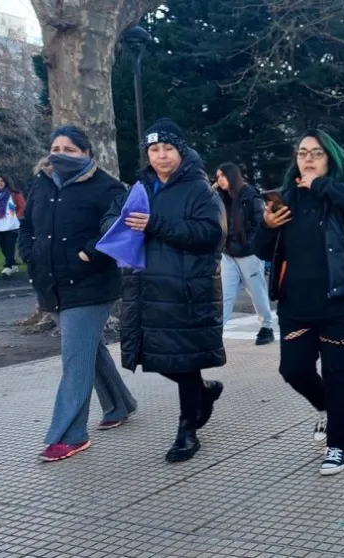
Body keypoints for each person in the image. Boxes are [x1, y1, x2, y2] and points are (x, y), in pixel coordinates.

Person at [103, 118, 226, 462]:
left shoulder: (199, 188)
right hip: (145, 289)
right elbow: (110, 218)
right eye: (154, 149)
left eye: (168, 148)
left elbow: (210, 234)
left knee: (184, 362)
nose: (161, 155)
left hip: (183, 290)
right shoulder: (139, 186)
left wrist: (155, 224)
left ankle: (187, 431)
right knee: (153, 356)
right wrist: (119, 226)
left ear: (181, 151)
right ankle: (204, 391)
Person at [253, 130, 344, 475]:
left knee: (337, 375)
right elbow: (262, 251)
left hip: (342, 304)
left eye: (317, 153)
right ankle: (325, 408)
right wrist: (267, 225)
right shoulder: (285, 198)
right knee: (293, 369)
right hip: (296, 305)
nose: (308, 158)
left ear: (330, 159)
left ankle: (339, 445)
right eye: (302, 153)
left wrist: (319, 185)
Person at [17, 126, 138, 462]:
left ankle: (69, 435)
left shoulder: (107, 186)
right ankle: (119, 404)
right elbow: (28, 224)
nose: (60, 155)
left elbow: (121, 228)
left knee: (74, 358)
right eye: (55, 148)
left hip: (91, 286)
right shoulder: (42, 182)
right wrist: (29, 253)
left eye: (69, 149)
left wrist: (89, 253)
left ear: (87, 152)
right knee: (86, 350)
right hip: (51, 284)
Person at [215, 162, 274, 345]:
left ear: (232, 176)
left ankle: (266, 326)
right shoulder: (220, 197)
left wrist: (253, 245)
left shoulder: (250, 195)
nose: (220, 180)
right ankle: (216, 331)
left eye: (223, 176)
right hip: (228, 254)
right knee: (225, 294)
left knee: (257, 292)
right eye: (218, 176)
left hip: (249, 253)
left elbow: (260, 223)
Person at [0, 175, 26, 276]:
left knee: (10, 246)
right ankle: (13, 264)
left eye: (2, 181)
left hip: (11, 225)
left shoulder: (14, 194)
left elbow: (22, 206)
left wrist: (16, 217)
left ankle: (8, 266)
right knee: (3, 247)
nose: (0, 183)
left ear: (6, 182)